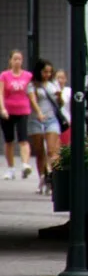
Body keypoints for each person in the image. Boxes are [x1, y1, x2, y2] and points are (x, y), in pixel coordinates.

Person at [26, 59, 61, 193]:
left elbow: (60, 104)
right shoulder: (32, 85)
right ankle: (42, 177)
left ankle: (52, 178)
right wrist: (39, 113)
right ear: (39, 71)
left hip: (52, 119)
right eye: (45, 72)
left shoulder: (53, 84)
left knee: (52, 151)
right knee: (40, 151)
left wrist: (60, 97)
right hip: (36, 120)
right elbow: (33, 100)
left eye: (50, 72)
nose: (47, 74)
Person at [0, 50, 33, 180]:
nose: (17, 61)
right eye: (15, 59)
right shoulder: (4, 75)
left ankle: (25, 164)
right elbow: (1, 93)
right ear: (10, 60)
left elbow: (31, 93)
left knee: (23, 139)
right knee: (9, 141)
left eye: (19, 59)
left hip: (23, 110)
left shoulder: (28, 76)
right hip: (8, 111)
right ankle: (10, 168)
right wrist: (2, 108)